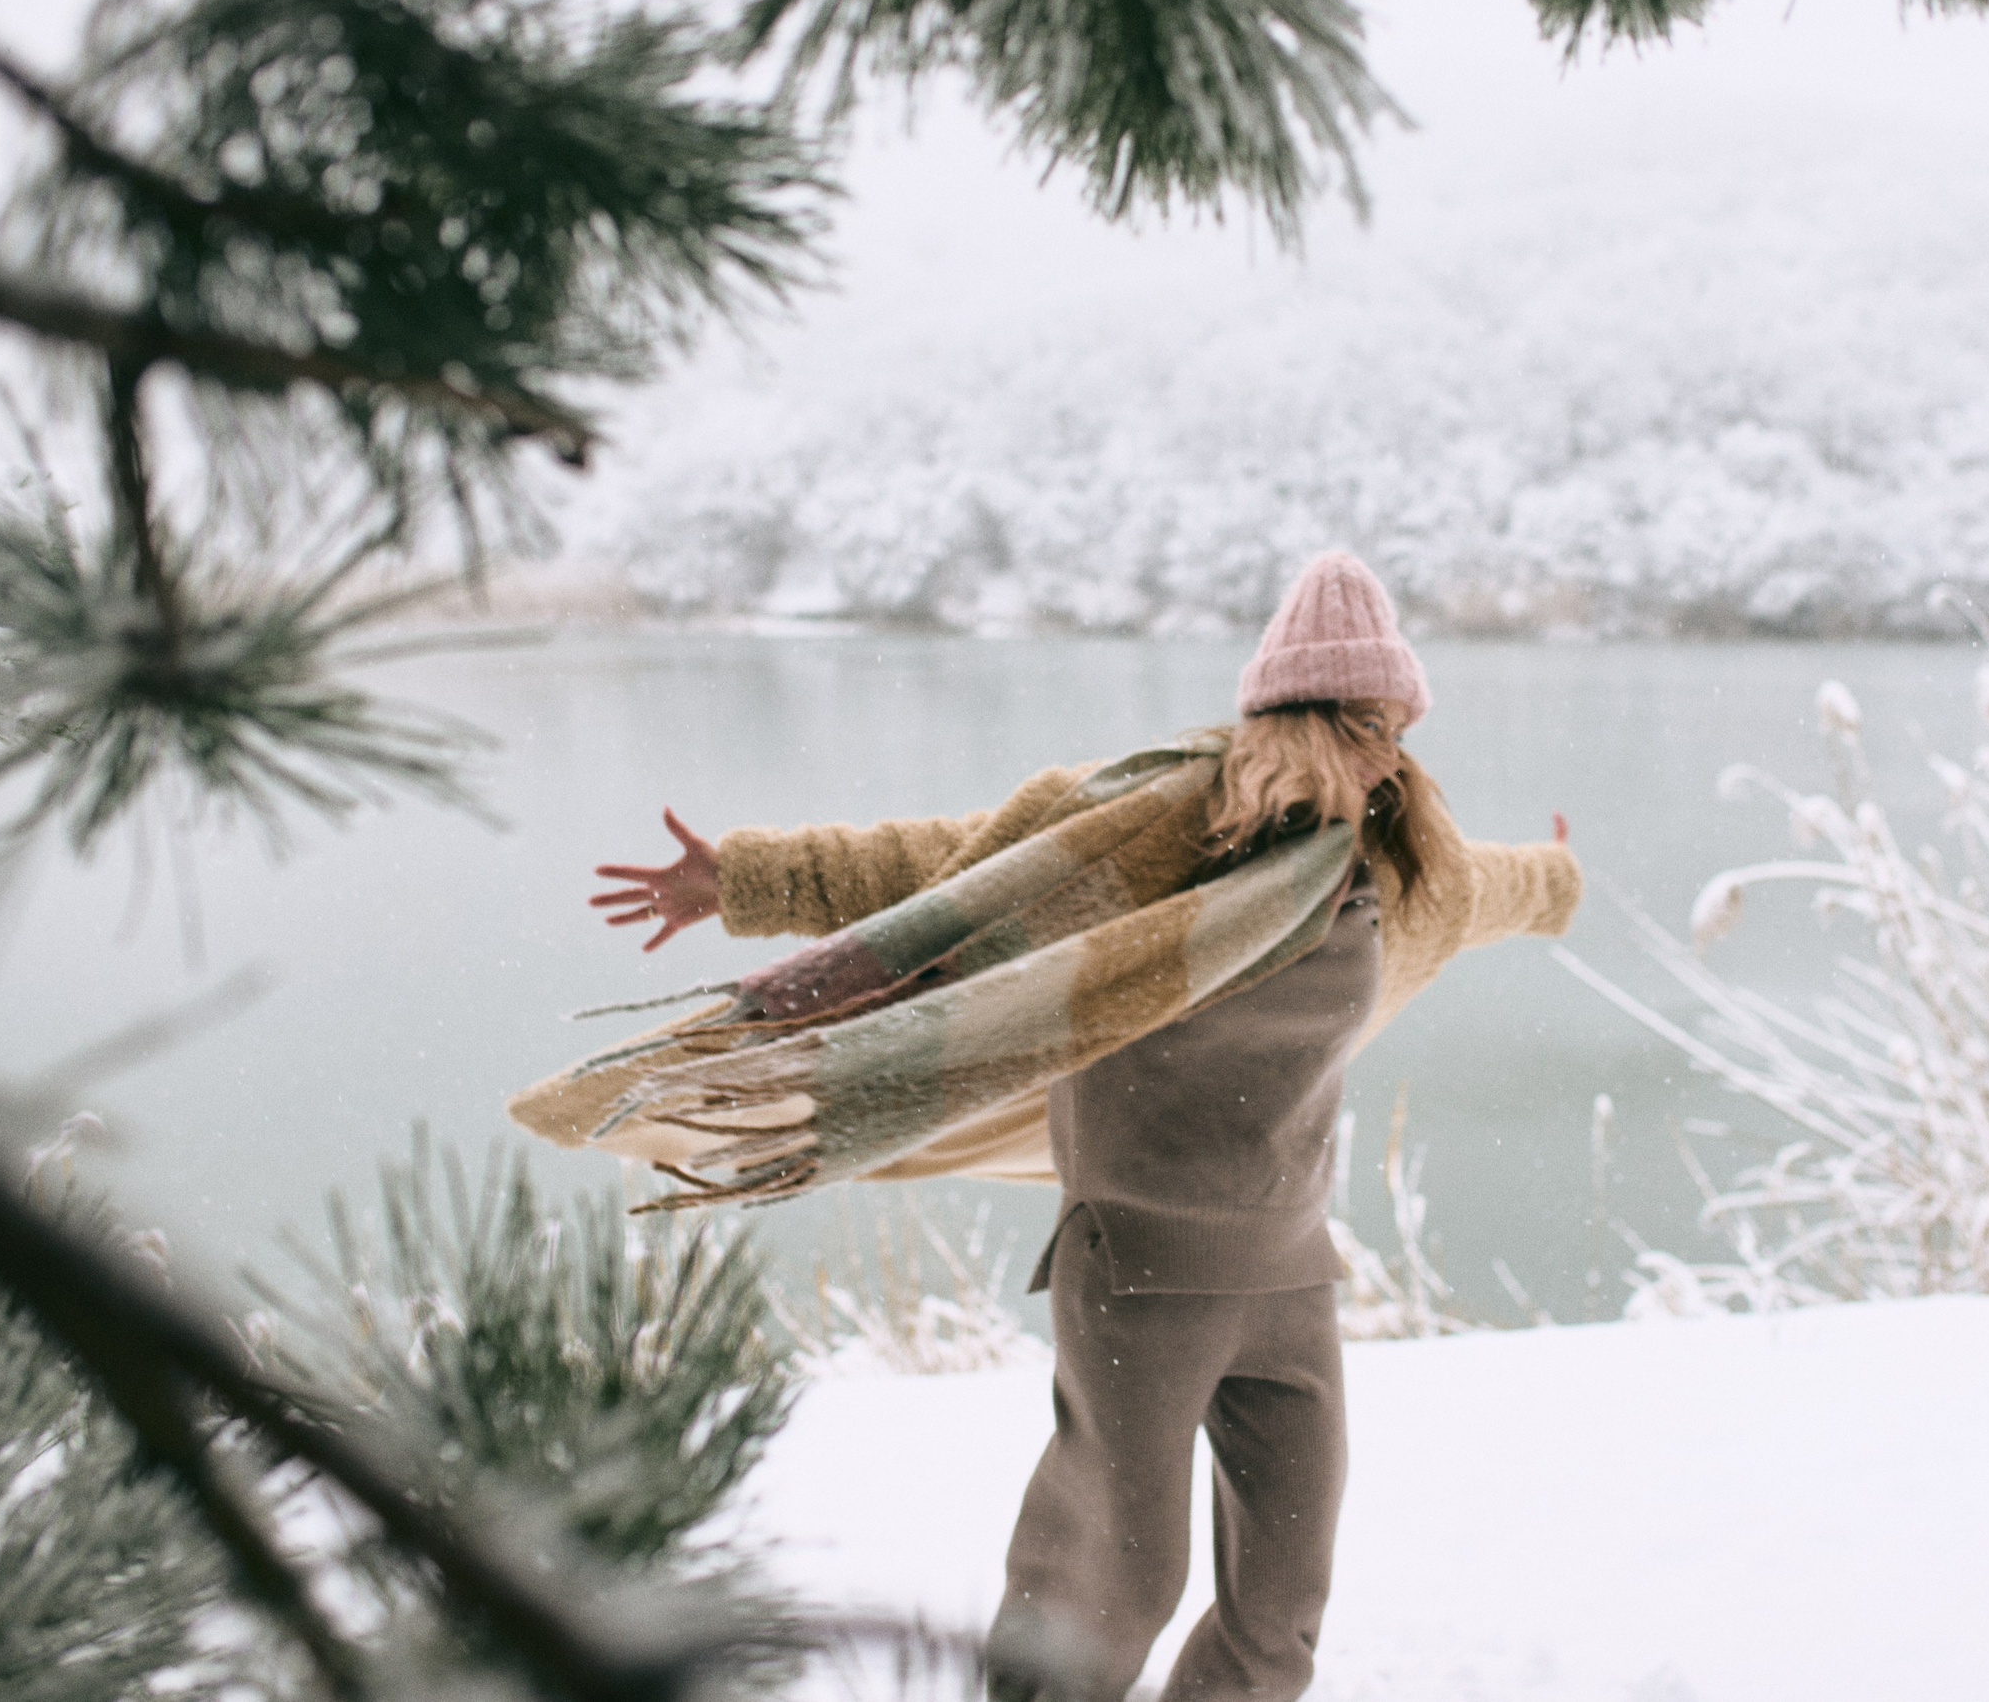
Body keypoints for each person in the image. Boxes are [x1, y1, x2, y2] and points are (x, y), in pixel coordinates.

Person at [574, 553, 1579, 1702]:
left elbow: (1492, 887)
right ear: (1291, 721)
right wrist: (746, 880)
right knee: (1107, 1593)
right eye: (1363, 723)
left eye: (1396, 724)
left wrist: (1557, 874)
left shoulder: (1396, 863)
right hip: (1139, 1273)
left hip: (1288, 1279)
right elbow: (957, 873)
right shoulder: (1150, 839)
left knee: (1280, 1613)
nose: (1387, 751)